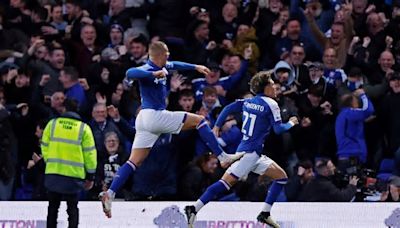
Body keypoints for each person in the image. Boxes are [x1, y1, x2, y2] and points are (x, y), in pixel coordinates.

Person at [99, 41, 243, 218]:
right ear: (158, 55)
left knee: (134, 161)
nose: (168, 58)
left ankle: (110, 194)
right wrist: (152, 73)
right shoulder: (147, 68)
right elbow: (131, 72)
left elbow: (176, 64)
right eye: (166, 55)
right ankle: (223, 157)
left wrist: (195, 67)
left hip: (144, 119)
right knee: (200, 121)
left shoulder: (165, 65)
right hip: (154, 115)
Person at [184, 71, 299, 228]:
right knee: (225, 183)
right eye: (272, 84)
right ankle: (193, 208)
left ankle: (265, 213)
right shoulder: (271, 104)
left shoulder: (249, 101)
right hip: (248, 154)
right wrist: (292, 122)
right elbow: (278, 130)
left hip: (252, 153)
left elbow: (228, 108)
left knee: (281, 177)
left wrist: (217, 125)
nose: (275, 87)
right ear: (265, 87)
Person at [41, 99, 97, 228]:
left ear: (64, 109)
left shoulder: (52, 124)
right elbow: (90, 154)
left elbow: (44, 146)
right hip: (74, 175)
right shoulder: (84, 129)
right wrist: (90, 176)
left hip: (53, 172)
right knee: (72, 209)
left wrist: (49, 162)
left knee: (53, 208)